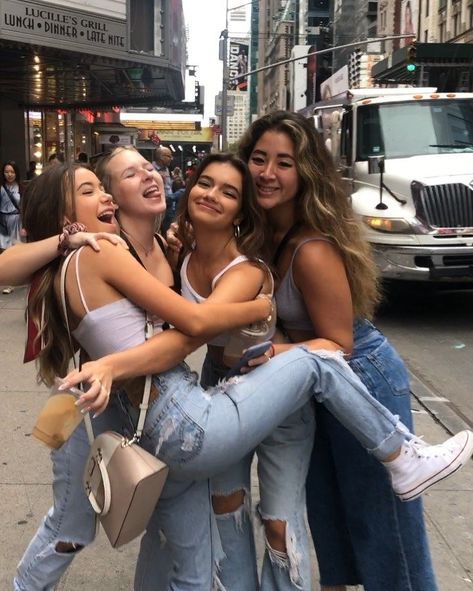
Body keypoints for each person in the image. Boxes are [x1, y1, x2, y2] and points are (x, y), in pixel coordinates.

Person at [48, 160, 473, 590]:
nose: (212, 195)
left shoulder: (247, 269)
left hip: (273, 399)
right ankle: (402, 457)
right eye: (206, 184)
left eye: (229, 193)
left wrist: (260, 309)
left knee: (279, 522)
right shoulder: (176, 256)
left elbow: (198, 325)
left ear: (241, 211)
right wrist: (70, 238)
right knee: (225, 512)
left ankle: (402, 457)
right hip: (221, 392)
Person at [234, 111, 439, 590]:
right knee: (329, 525)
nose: (268, 173)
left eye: (284, 163)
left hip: (360, 378)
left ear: (305, 173)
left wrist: (273, 354)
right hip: (314, 385)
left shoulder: (312, 247)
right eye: (259, 159)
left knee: (384, 530)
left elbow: (338, 343)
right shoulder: (262, 232)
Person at [1, 160, 22, 294]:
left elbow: (26, 206)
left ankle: (13, 281)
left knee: (15, 250)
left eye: (12, 172)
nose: (9, 174)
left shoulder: (21, 188)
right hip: (2, 221)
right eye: (6, 172)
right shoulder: (1, 187)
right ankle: (7, 277)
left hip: (17, 220)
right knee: (4, 249)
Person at [153, 146, 174, 233]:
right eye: (169, 156)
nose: (171, 158)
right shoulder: (150, 170)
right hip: (156, 207)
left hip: (168, 206)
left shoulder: (167, 169)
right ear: (161, 157)